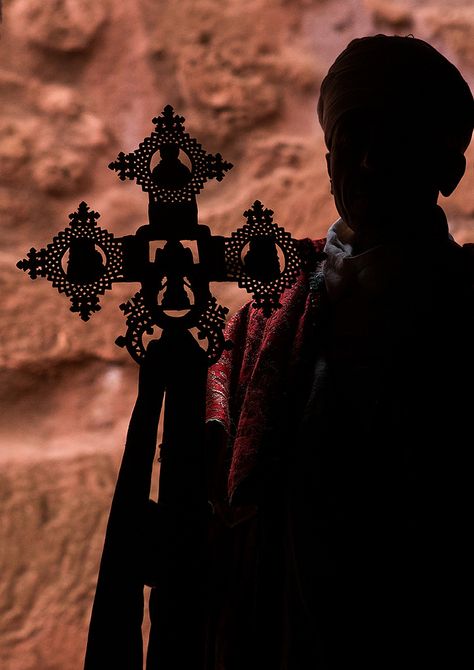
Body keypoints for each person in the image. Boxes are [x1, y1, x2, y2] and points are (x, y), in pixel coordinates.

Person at [205, 34, 474, 669]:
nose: (373, 162)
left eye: (402, 138)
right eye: (355, 135)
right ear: (329, 156)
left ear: (450, 169)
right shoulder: (264, 324)